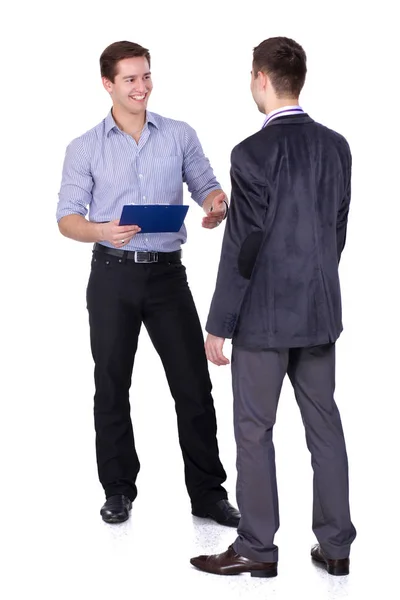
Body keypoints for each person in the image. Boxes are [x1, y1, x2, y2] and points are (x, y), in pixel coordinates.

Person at [190, 36, 356, 577]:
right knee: (325, 426)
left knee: (254, 432)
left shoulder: (250, 153)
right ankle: (336, 547)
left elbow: (244, 247)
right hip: (319, 313)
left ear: (261, 78)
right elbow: (336, 232)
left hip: (263, 320)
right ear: (297, 79)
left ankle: (258, 549)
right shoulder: (337, 146)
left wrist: (218, 324)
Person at [56, 40, 240, 528]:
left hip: (166, 276)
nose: (141, 87)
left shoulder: (178, 135)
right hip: (111, 273)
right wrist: (101, 230)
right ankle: (118, 489)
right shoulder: (84, 147)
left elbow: (207, 186)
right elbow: (66, 219)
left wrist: (215, 206)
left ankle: (208, 493)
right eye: (130, 79)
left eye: (146, 76)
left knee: (193, 385)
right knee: (112, 384)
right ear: (108, 84)